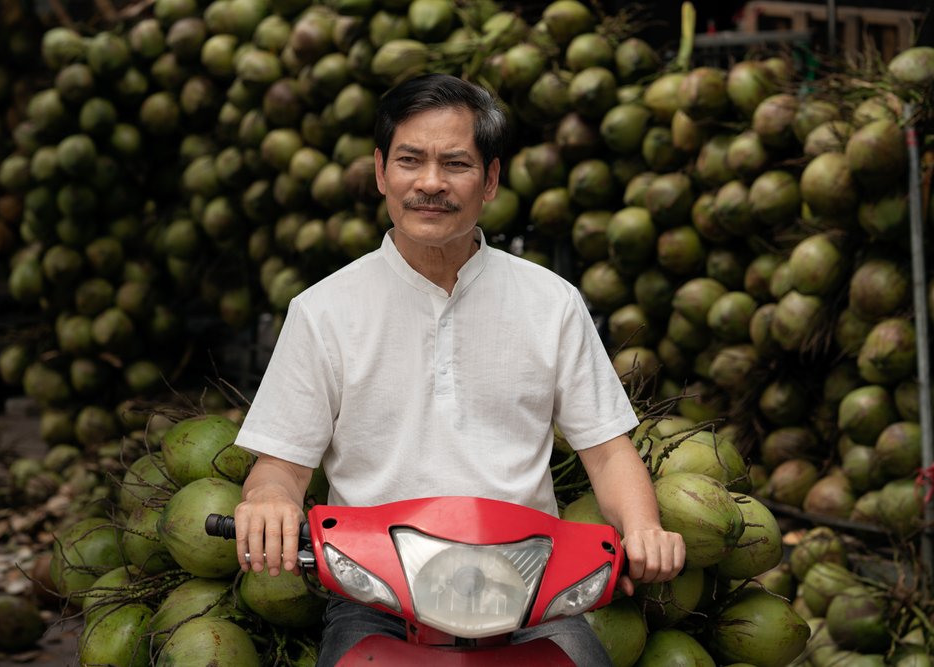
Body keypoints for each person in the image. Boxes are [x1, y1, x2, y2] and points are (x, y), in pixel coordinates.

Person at [232, 73, 685, 666]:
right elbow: (281, 469)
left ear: (490, 179)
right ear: (379, 172)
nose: (430, 184)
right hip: (377, 594)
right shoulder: (323, 310)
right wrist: (266, 503)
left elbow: (607, 450)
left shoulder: (551, 302)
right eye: (410, 160)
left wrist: (644, 527)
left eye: (456, 164)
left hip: (529, 587)